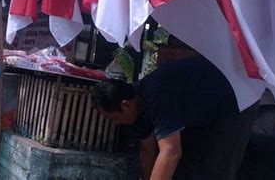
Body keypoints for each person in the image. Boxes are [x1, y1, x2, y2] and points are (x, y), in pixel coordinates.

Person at [90, 56, 259, 180]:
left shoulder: (157, 95)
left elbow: (170, 151)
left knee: (217, 168)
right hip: (201, 111)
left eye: (114, 119)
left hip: (237, 96)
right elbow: (147, 152)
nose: (117, 124)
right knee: (184, 168)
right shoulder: (137, 106)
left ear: (125, 105)